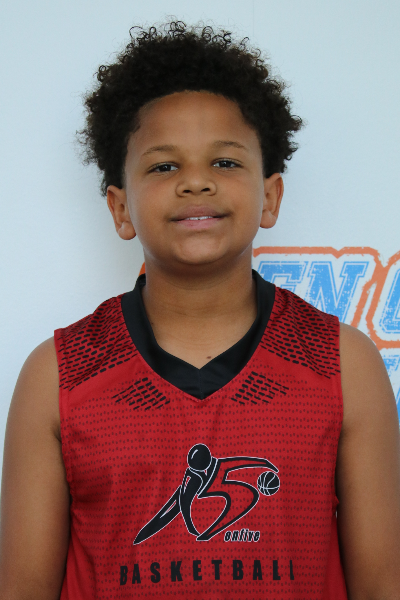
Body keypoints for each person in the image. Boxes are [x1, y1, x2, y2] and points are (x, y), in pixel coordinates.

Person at [1, 21, 399, 600]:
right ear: (120, 208)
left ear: (270, 197)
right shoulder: (58, 376)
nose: (195, 183)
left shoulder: (343, 364)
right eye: (164, 167)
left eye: (225, 163)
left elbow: (383, 584)